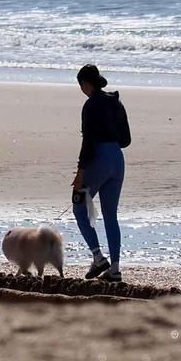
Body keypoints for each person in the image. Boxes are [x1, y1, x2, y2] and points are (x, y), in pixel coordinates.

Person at [71, 63, 131, 282]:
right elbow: (126, 140)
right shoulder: (116, 102)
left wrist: (80, 173)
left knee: (78, 206)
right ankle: (114, 269)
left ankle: (98, 257)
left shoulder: (90, 105)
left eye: (81, 86)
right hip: (118, 159)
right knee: (110, 215)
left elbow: (88, 143)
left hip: (100, 158)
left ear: (85, 83)